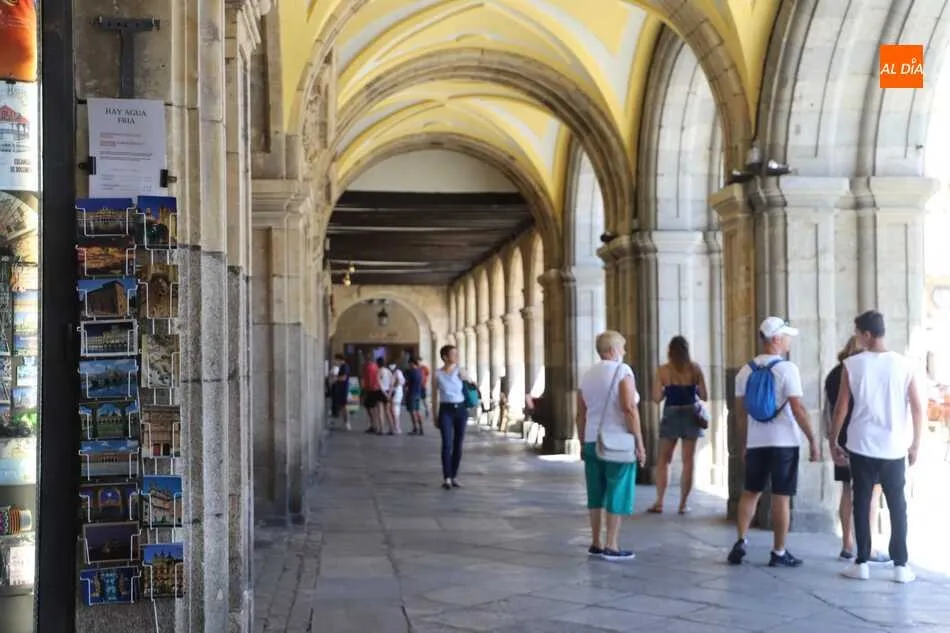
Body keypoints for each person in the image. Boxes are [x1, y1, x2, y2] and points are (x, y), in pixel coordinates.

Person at [832, 311, 922, 583]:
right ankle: (901, 566)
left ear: (868, 334)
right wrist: (916, 443)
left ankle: (861, 562)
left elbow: (841, 407)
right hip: (893, 446)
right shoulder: (905, 365)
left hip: (861, 444)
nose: (856, 337)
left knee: (861, 501)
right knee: (897, 505)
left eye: (858, 332)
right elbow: (917, 407)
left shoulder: (852, 365)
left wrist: (833, 439)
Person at [727, 316, 820, 568]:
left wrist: (743, 444)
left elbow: (739, 414)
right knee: (781, 497)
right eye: (787, 336)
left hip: (756, 443)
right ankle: (779, 552)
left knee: (751, 492)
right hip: (784, 443)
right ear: (776, 339)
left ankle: (741, 540)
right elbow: (798, 409)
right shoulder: (788, 369)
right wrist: (812, 439)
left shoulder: (744, 371)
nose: (789, 340)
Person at [576, 330, 645, 561]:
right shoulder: (622, 371)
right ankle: (612, 545)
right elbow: (629, 408)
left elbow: (581, 414)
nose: (624, 352)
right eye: (622, 348)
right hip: (616, 442)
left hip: (590, 439)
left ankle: (595, 542)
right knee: (618, 488)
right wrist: (640, 442)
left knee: (595, 492)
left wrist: (581, 441)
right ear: (612, 351)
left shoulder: (586, 375)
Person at [823, 337, 889, 563]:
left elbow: (829, 409)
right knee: (871, 491)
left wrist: (831, 438)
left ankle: (847, 545)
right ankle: (867, 547)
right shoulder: (861, 371)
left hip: (841, 437)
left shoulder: (833, 373)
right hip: (864, 437)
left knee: (847, 490)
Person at [648, 336, 708, 515]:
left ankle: (659, 501)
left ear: (670, 351)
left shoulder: (663, 370)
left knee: (663, 460)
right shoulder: (695, 368)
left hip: (671, 413)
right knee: (688, 461)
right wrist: (693, 389)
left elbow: (656, 398)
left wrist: (668, 390)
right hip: (691, 414)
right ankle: (683, 504)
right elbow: (704, 395)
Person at [433, 345, 472, 490]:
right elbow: (435, 396)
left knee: (458, 445)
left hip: (461, 410)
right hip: (446, 410)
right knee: (446, 444)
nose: (456, 356)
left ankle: (454, 476)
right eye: (453, 354)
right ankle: (447, 477)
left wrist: (467, 377)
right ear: (444, 357)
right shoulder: (437, 374)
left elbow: (472, 385)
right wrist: (434, 415)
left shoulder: (460, 371)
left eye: (457, 353)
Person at [361, 357, 382, 434]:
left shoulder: (368, 367)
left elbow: (369, 379)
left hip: (370, 389)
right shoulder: (376, 366)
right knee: (373, 408)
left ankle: (374, 425)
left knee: (370, 408)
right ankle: (375, 425)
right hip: (376, 389)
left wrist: (365, 389)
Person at [405, 357, 425, 435]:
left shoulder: (412, 372)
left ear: (412, 363)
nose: (409, 365)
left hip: (412, 393)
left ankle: (415, 428)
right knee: (417, 411)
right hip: (418, 393)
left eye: (409, 364)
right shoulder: (420, 371)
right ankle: (421, 428)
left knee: (412, 412)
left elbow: (407, 383)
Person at [332, 354, 351, 431]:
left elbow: (343, 377)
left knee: (344, 406)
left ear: (339, 359)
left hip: (343, 388)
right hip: (341, 388)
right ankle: (345, 422)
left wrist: (335, 379)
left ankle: (347, 422)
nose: (335, 362)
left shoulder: (344, 366)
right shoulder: (342, 367)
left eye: (336, 360)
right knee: (343, 406)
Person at [377, 358, 395, 435]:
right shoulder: (389, 371)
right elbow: (392, 383)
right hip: (388, 391)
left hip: (381, 392)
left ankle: (381, 429)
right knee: (388, 411)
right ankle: (391, 429)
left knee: (380, 411)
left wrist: (384, 393)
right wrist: (389, 394)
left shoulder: (379, 371)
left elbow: (379, 384)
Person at [388, 362, 406, 434]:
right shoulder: (396, 372)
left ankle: (397, 428)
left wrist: (394, 386)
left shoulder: (397, 372)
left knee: (395, 410)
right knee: (394, 410)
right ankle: (396, 427)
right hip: (396, 393)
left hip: (397, 393)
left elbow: (400, 381)